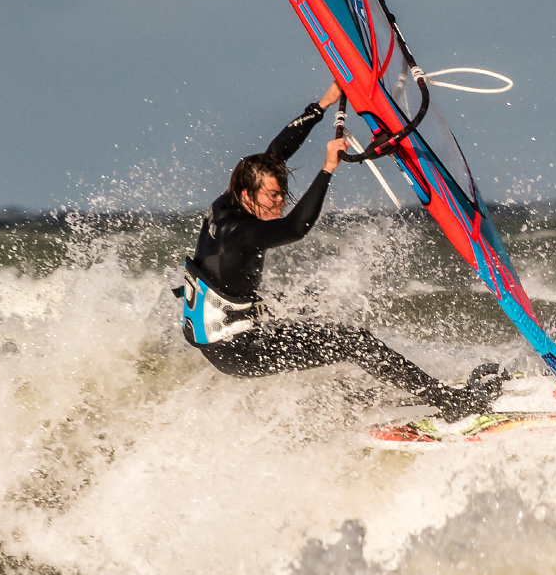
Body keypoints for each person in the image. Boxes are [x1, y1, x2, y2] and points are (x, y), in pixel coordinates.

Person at [178, 80, 501, 417]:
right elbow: (295, 228)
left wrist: (322, 104)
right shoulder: (236, 232)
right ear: (247, 194)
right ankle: (451, 404)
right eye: (272, 196)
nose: (280, 202)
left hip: (226, 332)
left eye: (281, 193)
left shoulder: (230, 200)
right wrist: (327, 167)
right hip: (237, 350)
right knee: (353, 340)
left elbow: (275, 153)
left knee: (313, 307)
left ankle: (358, 395)